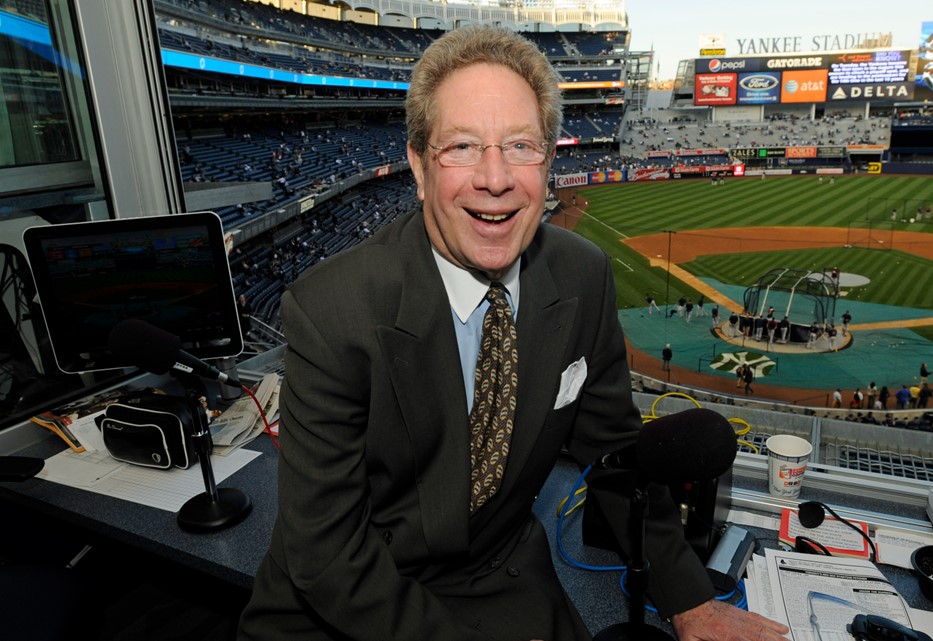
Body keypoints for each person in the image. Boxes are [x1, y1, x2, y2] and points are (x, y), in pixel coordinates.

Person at [237, 25, 788, 641]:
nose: (494, 179)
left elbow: (616, 455)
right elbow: (328, 556)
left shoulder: (582, 276)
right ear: (419, 165)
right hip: (345, 603)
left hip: (497, 575)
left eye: (521, 146)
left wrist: (689, 600)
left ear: (550, 162)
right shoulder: (332, 311)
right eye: (464, 147)